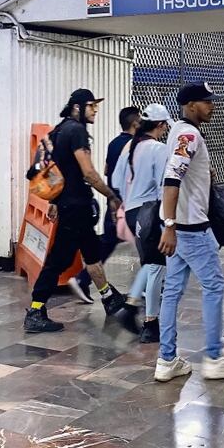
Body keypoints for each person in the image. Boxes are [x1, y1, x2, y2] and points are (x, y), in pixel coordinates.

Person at [155, 82, 224, 382]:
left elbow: (180, 174)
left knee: (172, 292)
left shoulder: (178, 132)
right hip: (191, 229)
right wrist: (170, 226)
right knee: (214, 287)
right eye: (206, 102)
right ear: (190, 105)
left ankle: (167, 359)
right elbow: (172, 178)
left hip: (180, 226)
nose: (212, 106)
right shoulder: (188, 134)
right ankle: (214, 357)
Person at [25, 89, 128, 334]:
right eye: (91, 106)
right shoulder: (77, 131)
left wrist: (54, 201)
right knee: (58, 260)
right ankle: (35, 310)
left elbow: (60, 170)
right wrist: (112, 196)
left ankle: (108, 297)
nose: (95, 111)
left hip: (70, 204)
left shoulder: (59, 130)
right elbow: (89, 173)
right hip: (75, 206)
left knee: (92, 252)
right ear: (77, 107)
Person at [112, 104, 173, 342]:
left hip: (132, 210)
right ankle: (150, 323)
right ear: (160, 125)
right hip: (150, 211)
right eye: (166, 124)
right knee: (157, 266)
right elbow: (164, 186)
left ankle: (129, 308)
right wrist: (168, 219)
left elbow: (117, 180)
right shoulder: (159, 149)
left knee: (149, 263)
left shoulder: (130, 146)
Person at [69, 106, 141, 304]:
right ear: (135, 123)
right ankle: (83, 279)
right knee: (142, 243)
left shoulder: (114, 144)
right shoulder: (136, 145)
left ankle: (83, 279)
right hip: (127, 202)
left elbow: (107, 169)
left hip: (114, 200)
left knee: (108, 243)